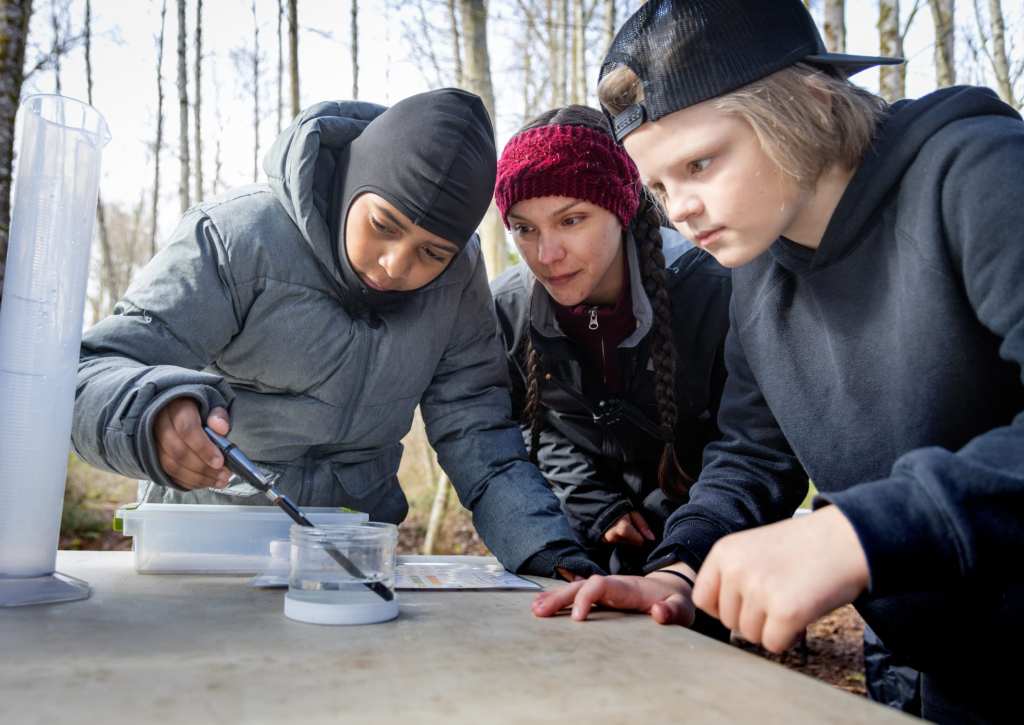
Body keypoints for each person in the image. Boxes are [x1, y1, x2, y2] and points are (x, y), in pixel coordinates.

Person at [532, 1, 1024, 721]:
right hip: (941, 669)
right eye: (661, 187)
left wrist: (856, 530)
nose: (682, 210)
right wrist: (680, 570)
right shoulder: (758, 270)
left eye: (701, 162)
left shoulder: (980, 174)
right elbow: (752, 457)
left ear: (809, 100)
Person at [72, 88, 600, 581]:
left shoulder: (457, 279)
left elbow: (476, 428)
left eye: (431, 253)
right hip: (206, 548)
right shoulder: (236, 239)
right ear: (353, 186)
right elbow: (88, 369)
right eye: (384, 226)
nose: (396, 265)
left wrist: (544, 551)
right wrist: (147, 416)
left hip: (353, 555)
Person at [489, 106, 731, 582]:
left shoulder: (713, 290)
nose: (547, 254)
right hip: (576, 535)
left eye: (572, 220)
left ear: (621, 210)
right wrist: (595, 504)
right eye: (524, 228)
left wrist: (673, 531)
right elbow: (516, 426)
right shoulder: (509, 308)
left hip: (699, 543)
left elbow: (746, 439)